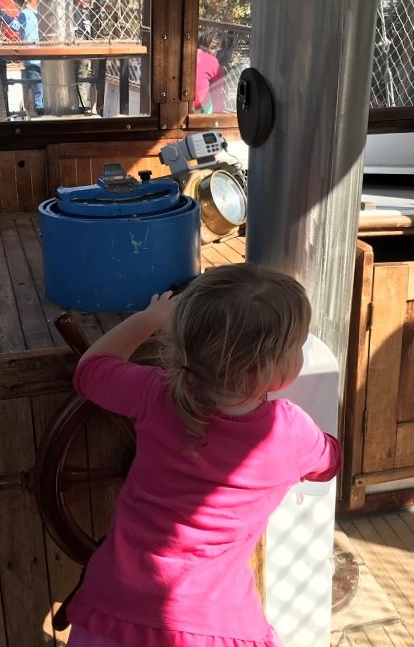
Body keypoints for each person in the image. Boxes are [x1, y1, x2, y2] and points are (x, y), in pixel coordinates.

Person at [65, 263, 342, 647]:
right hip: (211, 624)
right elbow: (329, 462)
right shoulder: (289, 432)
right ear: (273, 371)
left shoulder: (154, 393)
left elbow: (90, 370)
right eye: (297, 345)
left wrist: (149, 319)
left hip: (114, 608)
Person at [0, 0, 43, 114]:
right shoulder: (35, 12)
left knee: (37, 93)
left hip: (31, 59)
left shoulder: (24, 14)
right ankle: (39, 111)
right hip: (40, 58)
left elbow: (16, 26)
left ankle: (40, 114)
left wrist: (3, 15)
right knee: (40, 90)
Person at [194, 29, 228, 113]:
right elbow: (217, 95)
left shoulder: (192, 54)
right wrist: (219, 115)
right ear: (220, 50)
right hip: (197, 106)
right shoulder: (215, 64)